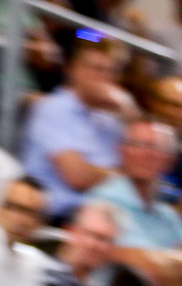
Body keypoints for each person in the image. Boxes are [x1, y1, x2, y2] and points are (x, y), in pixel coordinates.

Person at [21, 41, 128, 220]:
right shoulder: (53, 109)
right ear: (73, 70)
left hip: (99, 214)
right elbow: (77, 177)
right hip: (54, 215)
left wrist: (128, 113)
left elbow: (134, 171)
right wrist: (118, 175)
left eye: (111, 71)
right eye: (96, 69)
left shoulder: (111, 119)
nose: (103, 77)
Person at [90, 120, 182, 286]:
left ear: (170, 158)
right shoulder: (104, 201)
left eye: (156, 147)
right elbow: (147, 272)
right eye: (137, 145)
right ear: (121, 150)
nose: (146, 154)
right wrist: (168, 266)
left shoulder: (170, 217)